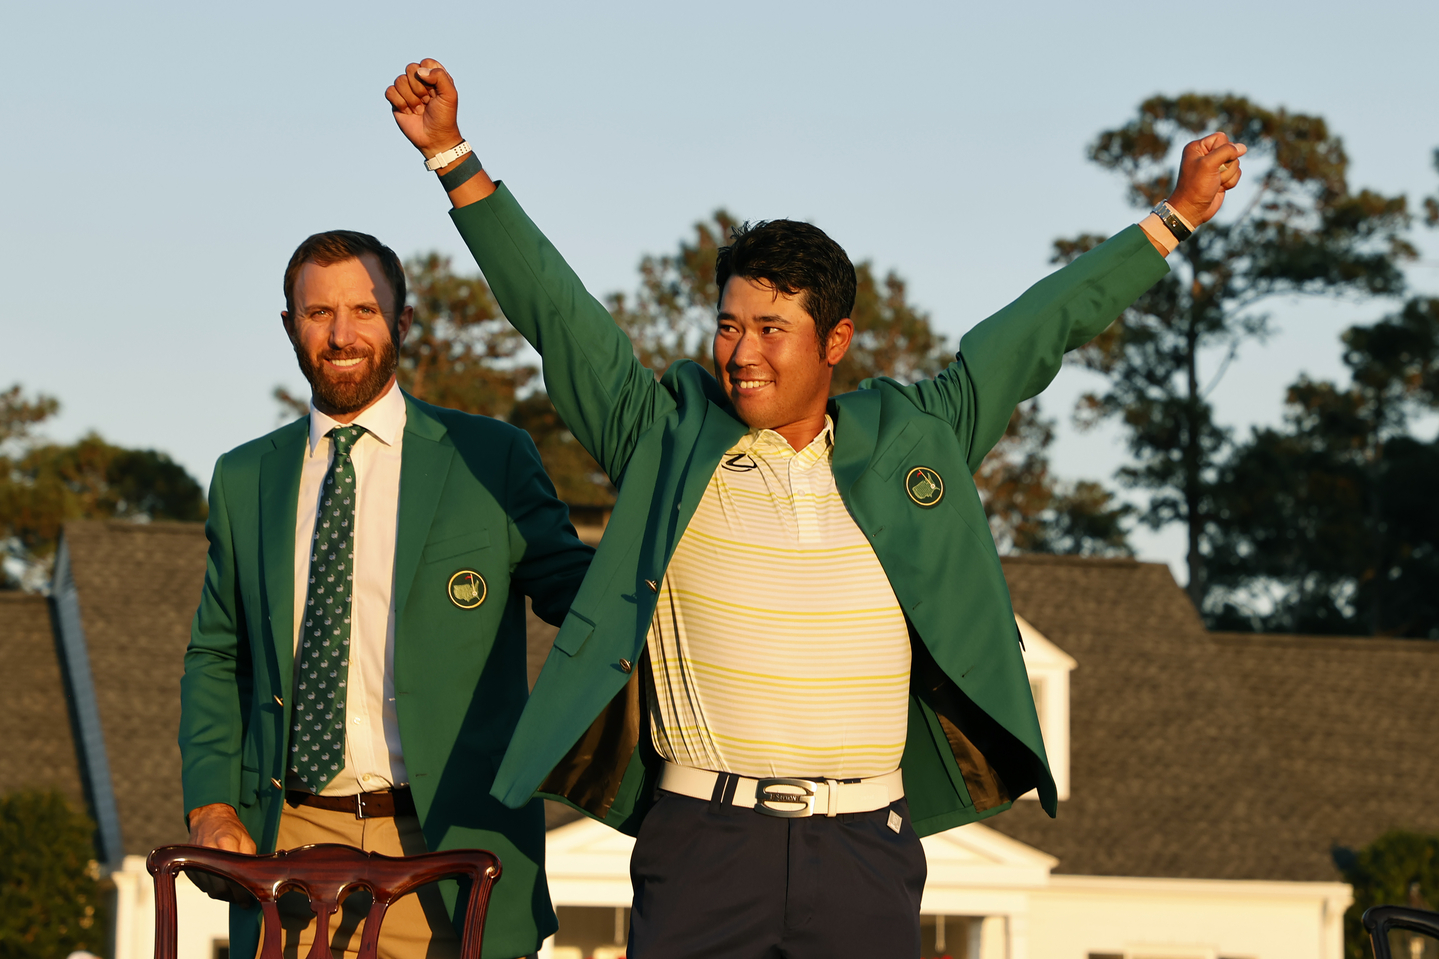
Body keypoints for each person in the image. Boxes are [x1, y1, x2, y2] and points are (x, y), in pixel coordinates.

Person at [386, 59, 1244, 959]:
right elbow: (555, 313)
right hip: (701, 841)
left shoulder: (917, 437)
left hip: (863, 849)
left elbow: (1036, 331)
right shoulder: (662, 438)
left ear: (833, 340)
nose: (740, 351)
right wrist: (452, 154)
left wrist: (1171, 218)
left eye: (769, 329)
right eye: (727, 324)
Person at [179, 229, 595, 959]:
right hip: (294, 847)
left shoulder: (490, 458)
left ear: (402, 323)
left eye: (364, 311)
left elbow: (584, 600)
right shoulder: (246, 478)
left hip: (455, 846)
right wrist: (211, 803)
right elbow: (217, 653)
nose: (341, 335)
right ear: (289, 326)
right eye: (318, 314)